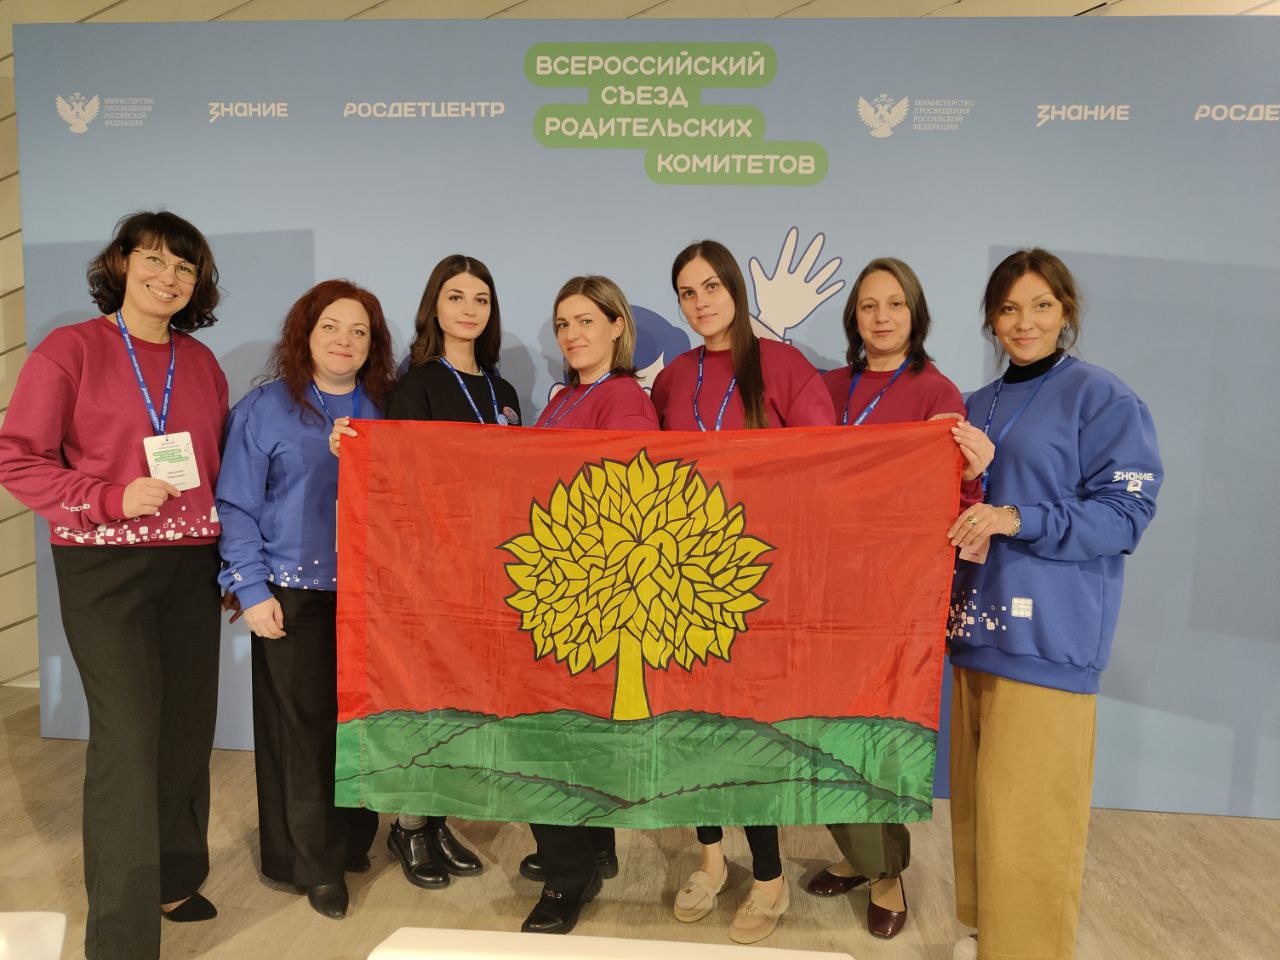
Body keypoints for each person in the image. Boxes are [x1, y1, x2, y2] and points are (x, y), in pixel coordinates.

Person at [0, 212, 227, 960]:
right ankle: (121, 939)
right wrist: (108, 496)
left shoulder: (201, 362)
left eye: (185, 268)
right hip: (105, 567)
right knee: (128, 738)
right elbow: (17, 459)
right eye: (153, 259)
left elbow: (218, 467)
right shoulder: (70, 350)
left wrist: (231, 560)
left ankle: (173, 877)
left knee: (186, 727)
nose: (169, 277)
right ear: (121, 264)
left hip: (192, 563)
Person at [945, 249, 1161, 960]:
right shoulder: (974, 405)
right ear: (991, 319)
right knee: (980, 812)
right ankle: (988, 935)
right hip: (974, 631)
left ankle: (1026, 951)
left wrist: (1018, 517)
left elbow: (1124, 516)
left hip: (1050, 641)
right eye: (1009, 308)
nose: (1024, 322)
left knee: (1031, 820)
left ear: (1066, 310)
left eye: (1041, 305)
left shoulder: (1102, 397)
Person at [649, 239, 834, 945]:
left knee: (749, 732)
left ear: (735, 289)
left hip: (761, 584)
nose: (700, 302)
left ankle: (769, 876)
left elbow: (825, 465)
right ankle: (710, 859)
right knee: (690, 726)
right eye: (687, 292)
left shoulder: (783, 366)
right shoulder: (674, 378)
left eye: (711, 287)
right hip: (682, 582)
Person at [806, 257, 994, 939]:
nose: (881, 317)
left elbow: (952, 494)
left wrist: (973, 476)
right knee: (818, 730)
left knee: (876, 732)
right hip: (820, 583)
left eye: (894, 304)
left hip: (890, 593)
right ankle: (858, 857)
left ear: (916, 313)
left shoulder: (934, 391)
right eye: (868, 305)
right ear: (853, 317)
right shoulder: (828, 386)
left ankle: (887, 875)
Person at [328, 254, 519, 889]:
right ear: (434, 305)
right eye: (456, 296)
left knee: (464, 703)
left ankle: (436, 819)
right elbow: (400, 484)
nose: (469, 309)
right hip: (431, 572)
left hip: (489, 571)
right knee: (422, 701)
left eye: (481, 299)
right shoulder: (416, 386)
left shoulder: (502, 391)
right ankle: (408, 826)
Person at [215, 279, 396, 919]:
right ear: (305, 334)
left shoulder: (387, 408)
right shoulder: (265, 409)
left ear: (373, 344)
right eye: (331, 327)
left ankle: (351, 842)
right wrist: (250, 588)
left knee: (362, 727)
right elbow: (236, 504)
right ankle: (313, 866)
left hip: (371, 598)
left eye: (359, 331)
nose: (344, 341)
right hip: (292, 594)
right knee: (302, 734)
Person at [518, 275, 659, 936]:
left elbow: (625, 500)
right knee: (570, 734)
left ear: (616, 326)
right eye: (563, 324)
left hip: (592, 593)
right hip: (563, 583)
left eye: (585, 321)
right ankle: (590, 851)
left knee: (554, 737)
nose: (572, 335)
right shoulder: (566, 398)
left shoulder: (623, 398)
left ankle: (565, 880)